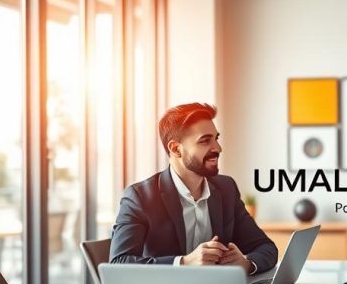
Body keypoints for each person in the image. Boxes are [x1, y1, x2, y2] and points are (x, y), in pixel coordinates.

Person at [109, 103, 278, 274]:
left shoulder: (226, 188)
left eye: (216, 139)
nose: (218, 148)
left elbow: (266, 248)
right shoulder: (140, 197)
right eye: (205, 141)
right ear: (176, 149)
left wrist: (246, 263)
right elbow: (119, 263)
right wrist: (183, 263)